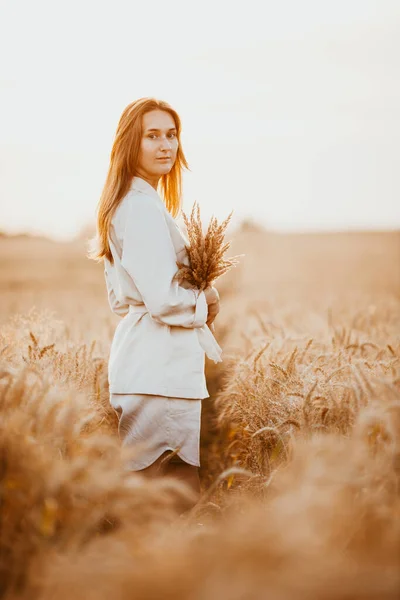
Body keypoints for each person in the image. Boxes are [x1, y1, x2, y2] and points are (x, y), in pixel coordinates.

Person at [88, 97, 222, 508]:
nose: (167, 145)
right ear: (131, 143)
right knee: (173, 489)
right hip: (159, 368)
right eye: (152, 136)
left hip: (145, 363)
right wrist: (206, 299)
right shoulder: (142, 207)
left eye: (172, 134)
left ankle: (153, 568)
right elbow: (163, 300)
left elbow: (120, 300)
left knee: (151, 492)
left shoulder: (130, 203)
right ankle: (161, 571)